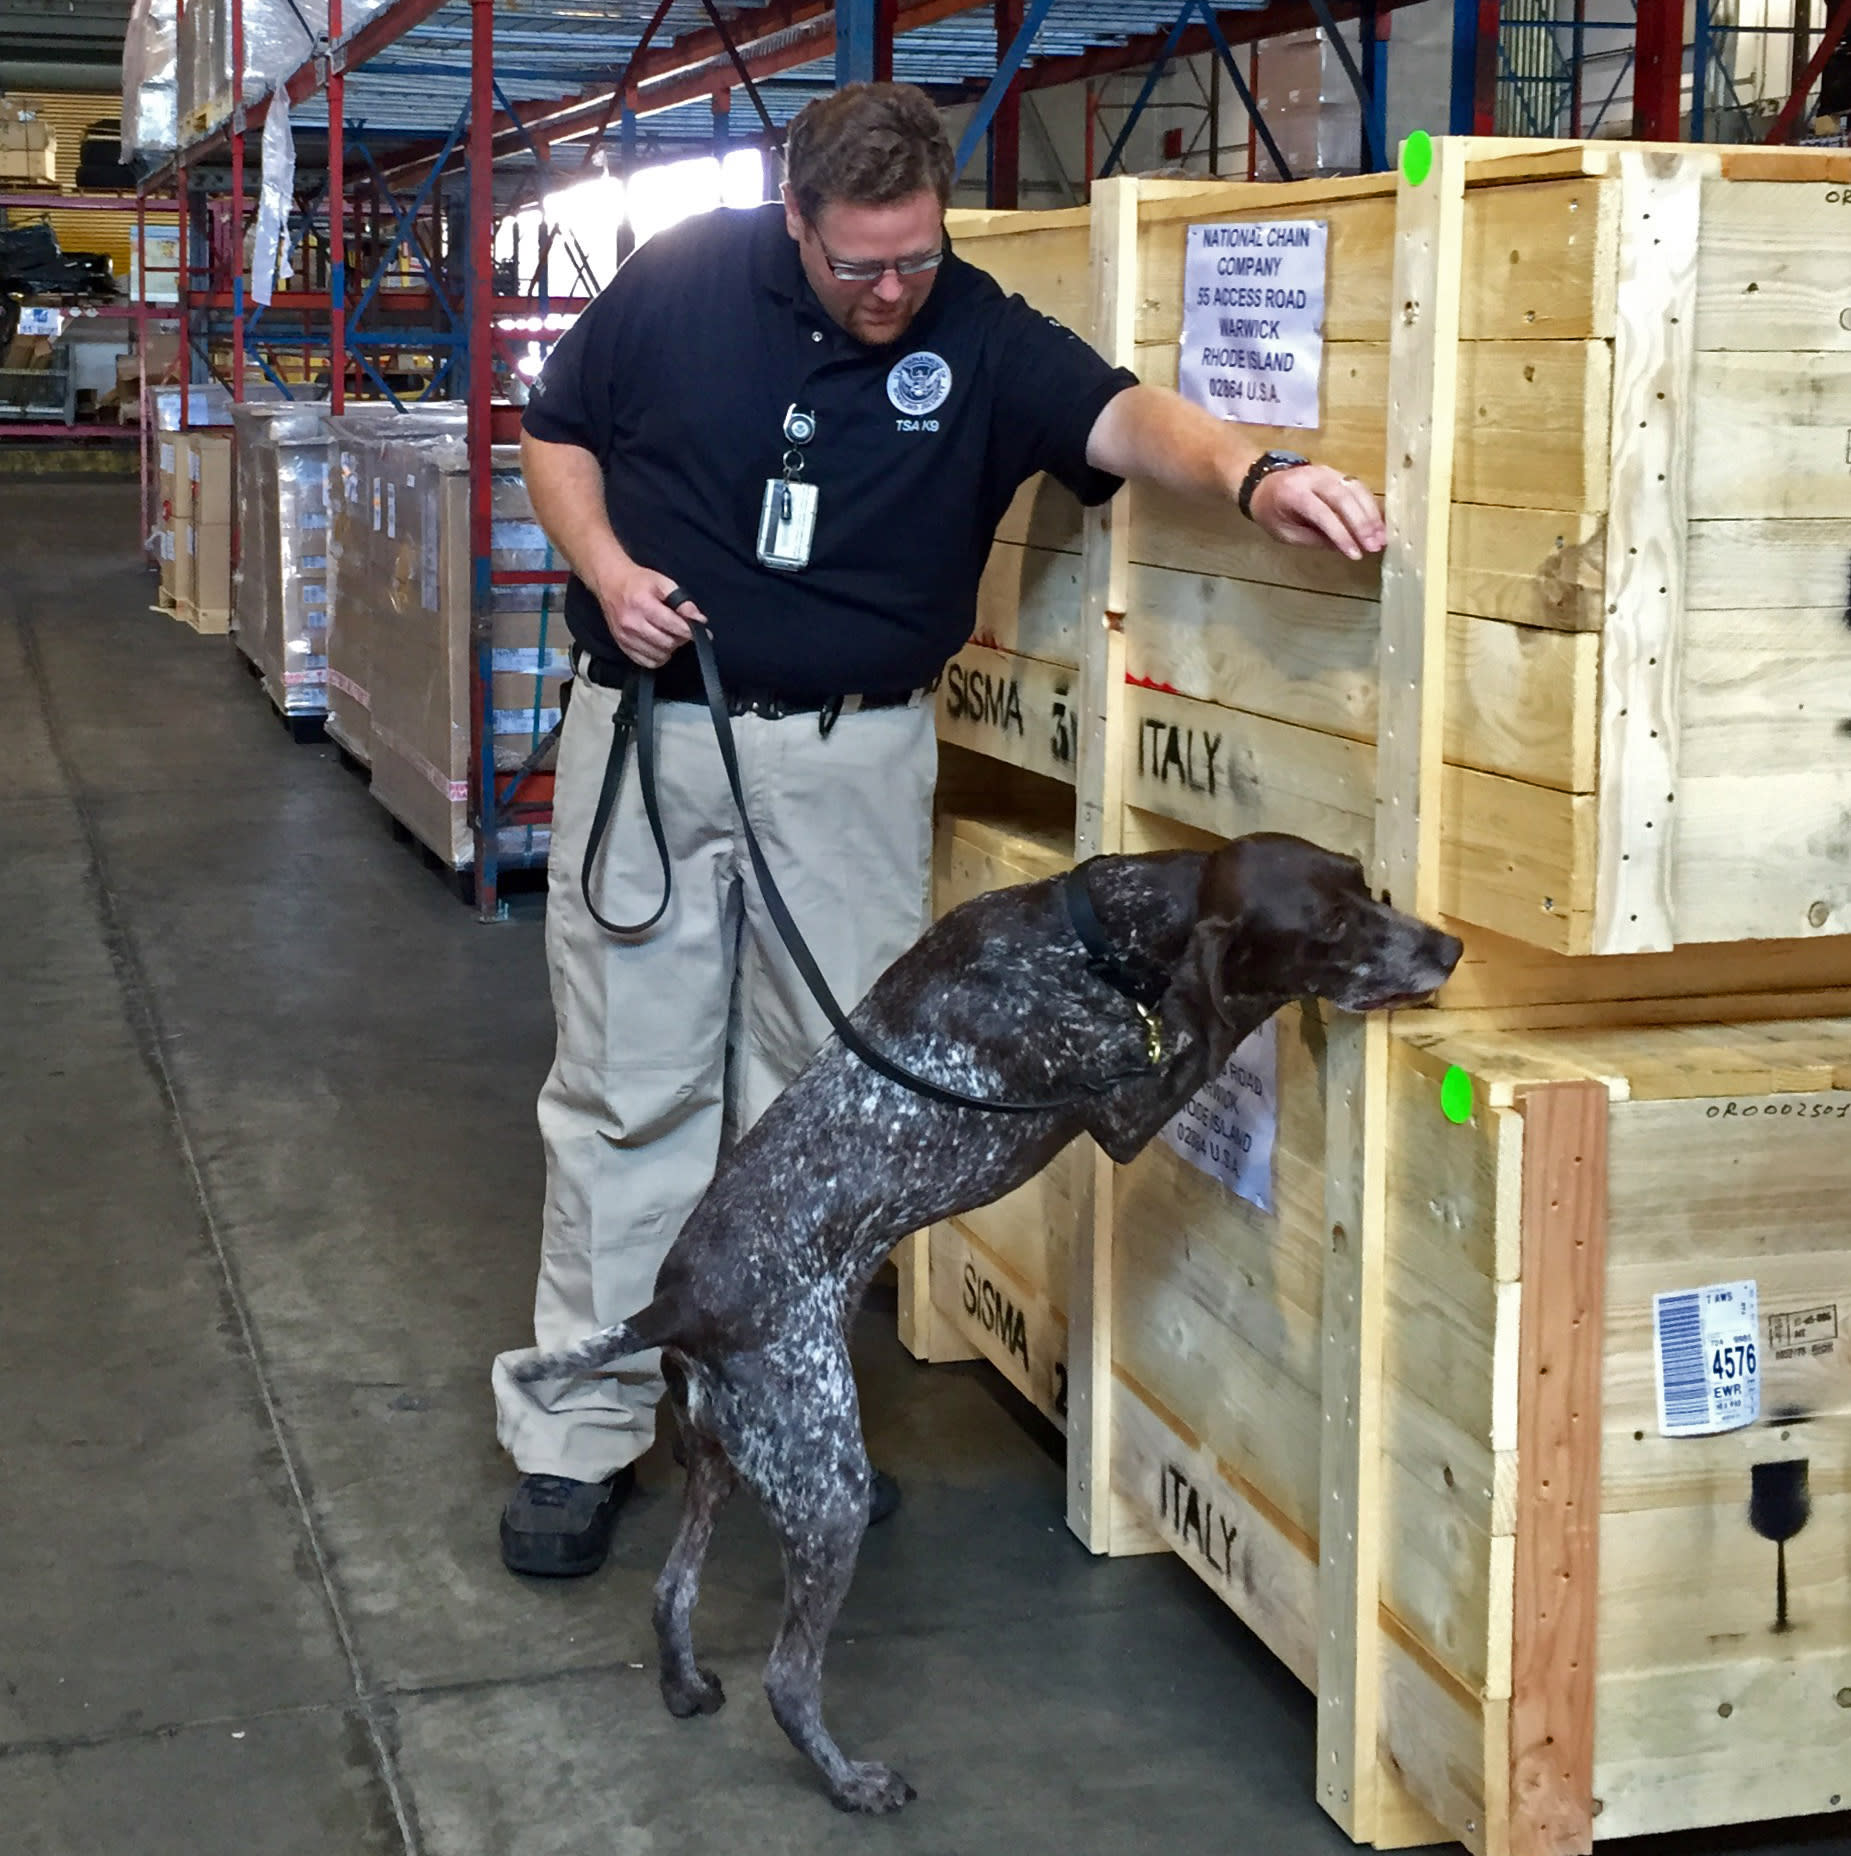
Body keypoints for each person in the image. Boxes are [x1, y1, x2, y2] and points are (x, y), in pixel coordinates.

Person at [492, 82, 1384, 1578]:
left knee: (821, 1111)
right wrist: (607, 566)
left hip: (851, 760)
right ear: (796, 223)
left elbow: (1124, 415)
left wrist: (1259, 473)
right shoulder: (680, 284)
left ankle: (778, 1424)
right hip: (654, 740)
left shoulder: (975, 331)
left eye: (917, 256)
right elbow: (557, 434)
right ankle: (577, 1433)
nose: (893, 291)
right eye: (862, 266)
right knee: (626, 1093)